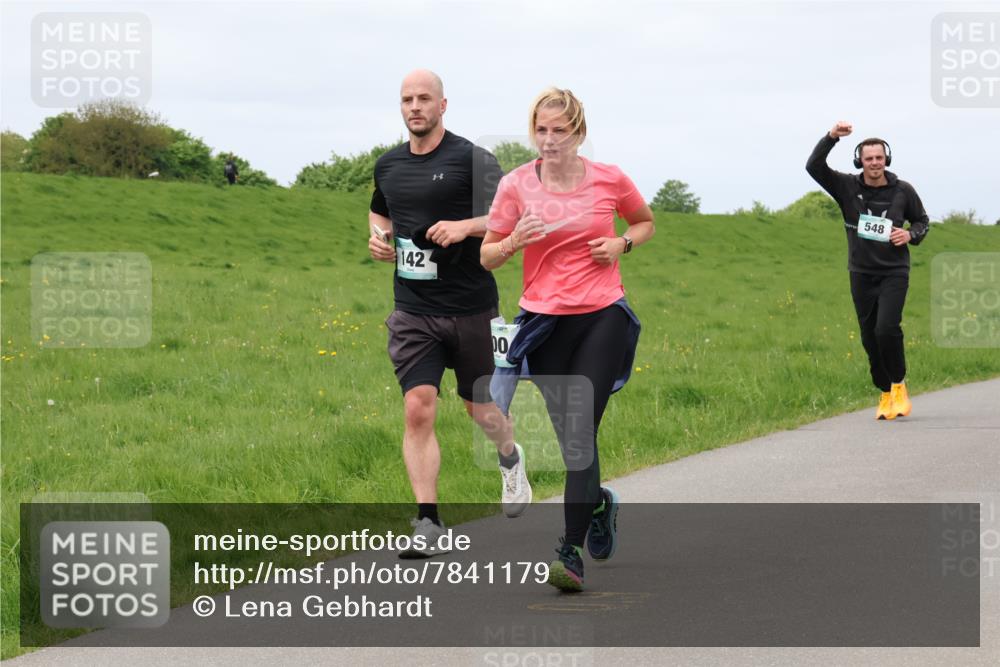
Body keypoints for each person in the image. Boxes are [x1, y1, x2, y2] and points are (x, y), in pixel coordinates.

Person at [480, 88, 654, 591]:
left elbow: (644, 223)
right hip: (544, 323)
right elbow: (487, 255)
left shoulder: (609, 179)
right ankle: (598, 503)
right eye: (541, 129)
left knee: (579, 433)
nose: (549, 139)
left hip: (603, 315)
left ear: (578, 133)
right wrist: (514, 241)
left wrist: (620, 243)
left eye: (560, 130)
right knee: (574, 441)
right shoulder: (515, 185)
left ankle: (568, 552)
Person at [368, 69, 531, 558]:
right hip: (413, 310)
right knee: (418, 406)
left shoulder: (472, 159)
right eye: (406, 100)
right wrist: (376, 238)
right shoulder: (389, 165)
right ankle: (427, 521)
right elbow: (381, 209)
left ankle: (510, 456)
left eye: (423, 99)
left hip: (472, 307)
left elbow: (510, 217)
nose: (414, 107)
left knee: (480, 409)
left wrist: (465, 227)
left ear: (442, 105)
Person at [806, 121, 930, 420]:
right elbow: (813, 167)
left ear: (886, 159)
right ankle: (885, 391)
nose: (874, 163)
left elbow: (922, 221)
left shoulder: (903, 191)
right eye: (868, 158)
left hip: (894, 272)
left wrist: (910, 235)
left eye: (879, 157)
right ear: (859, 161)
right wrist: (831, 137)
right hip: (861, 273)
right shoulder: (846, 186)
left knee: (886, 328)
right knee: (868, 337)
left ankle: (899, 385)